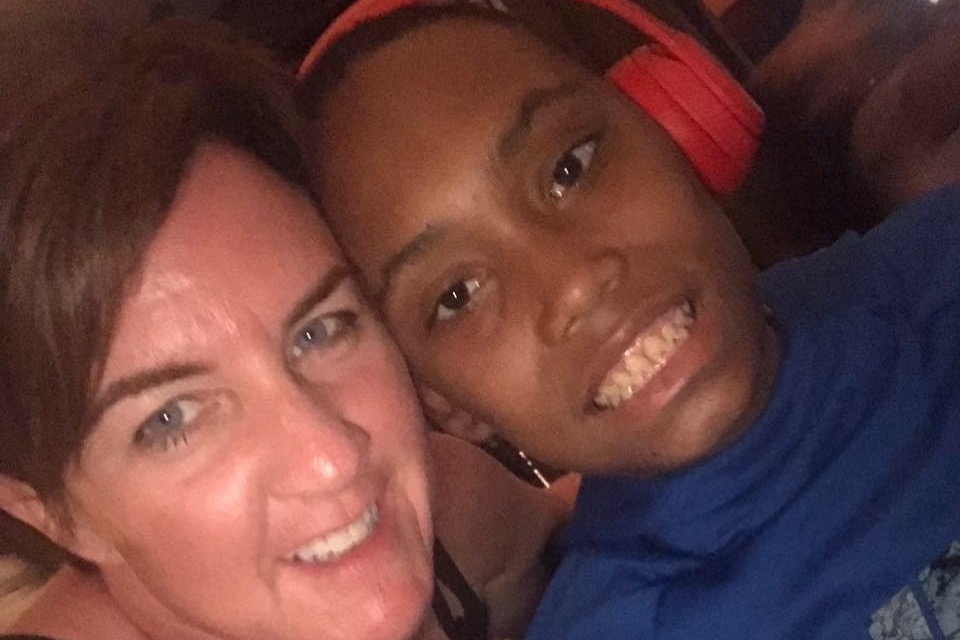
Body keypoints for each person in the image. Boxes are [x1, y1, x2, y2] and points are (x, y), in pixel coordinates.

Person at [296, 1, 960, 638]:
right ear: (448, 404)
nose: (574, 284)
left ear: (676, 123)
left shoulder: (936, 262)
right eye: (457, 295)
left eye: (569, 168)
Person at [0, 19, 435, 640]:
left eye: (319, 332)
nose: (331, 458)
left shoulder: (453, 514)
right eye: (171, 418)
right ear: (60, 518)